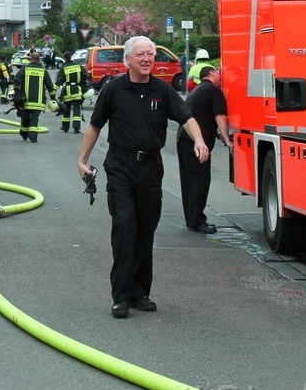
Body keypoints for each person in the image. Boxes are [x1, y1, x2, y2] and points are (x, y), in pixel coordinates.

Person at [77, 36, 208, 319]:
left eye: (150, 54)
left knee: (146, 230)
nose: (147, 59)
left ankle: (140, 293)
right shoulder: (113, 89)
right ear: (128, 60)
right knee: (125, 226)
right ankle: (121, 296)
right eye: (141, 55)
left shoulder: (162, 90)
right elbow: (95, 126)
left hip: (150, 167)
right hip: (121, 165)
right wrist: (82, 160)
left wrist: (199, 140)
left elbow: (186, 117)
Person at [177, 65, 231, 233]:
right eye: (218, 73)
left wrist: (217, 135)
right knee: (199, 180)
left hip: (184, 140)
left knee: (189, 181)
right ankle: (197, 221)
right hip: (195, 143)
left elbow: (202, 117)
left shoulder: (198, 91)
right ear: (212, 73)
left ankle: (192, 219)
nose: (221, 77)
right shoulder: (213, 91)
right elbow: (220, 116)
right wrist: (227, 139)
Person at [12, 48, 55, 143]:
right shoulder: (43, 71)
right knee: (35, 119)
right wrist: (53, 99)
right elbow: (50, 86)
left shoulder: (24, 69)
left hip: (25, 100)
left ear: (30, 59)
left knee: (25, 117)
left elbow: (16, 80)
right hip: (38, 102)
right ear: (39, 59)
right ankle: (33, 137)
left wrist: (16, 90)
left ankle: (24, 135)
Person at [57, 51, 89, 134]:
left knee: (66, 109)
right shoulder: (78, 66)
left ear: (64, 58)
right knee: (76, 109)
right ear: (71, 57)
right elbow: (85, 77)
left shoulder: (63, 67)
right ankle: (76, 128)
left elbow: (59, 80)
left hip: (67, 91)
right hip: (77, 90)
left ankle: (65, 127)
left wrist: (53, 92)